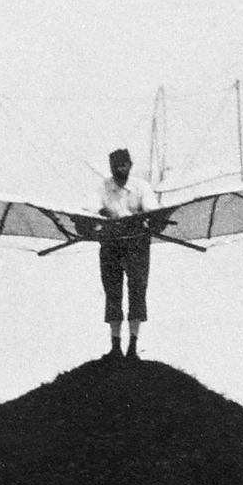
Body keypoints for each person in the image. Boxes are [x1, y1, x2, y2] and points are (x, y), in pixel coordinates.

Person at [96, 148, 156, 360]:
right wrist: (101, 214)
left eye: (122, 165)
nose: (118, 169)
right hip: (111, 245)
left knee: (137, 290)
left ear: (130, 165)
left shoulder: (141, 187)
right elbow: (89, 209)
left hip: (136, 245)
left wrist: (140, 218)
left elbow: (152, 211)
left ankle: (132, 346)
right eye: (114, 166)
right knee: (112, 292)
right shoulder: (103, 187)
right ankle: (115, 346)